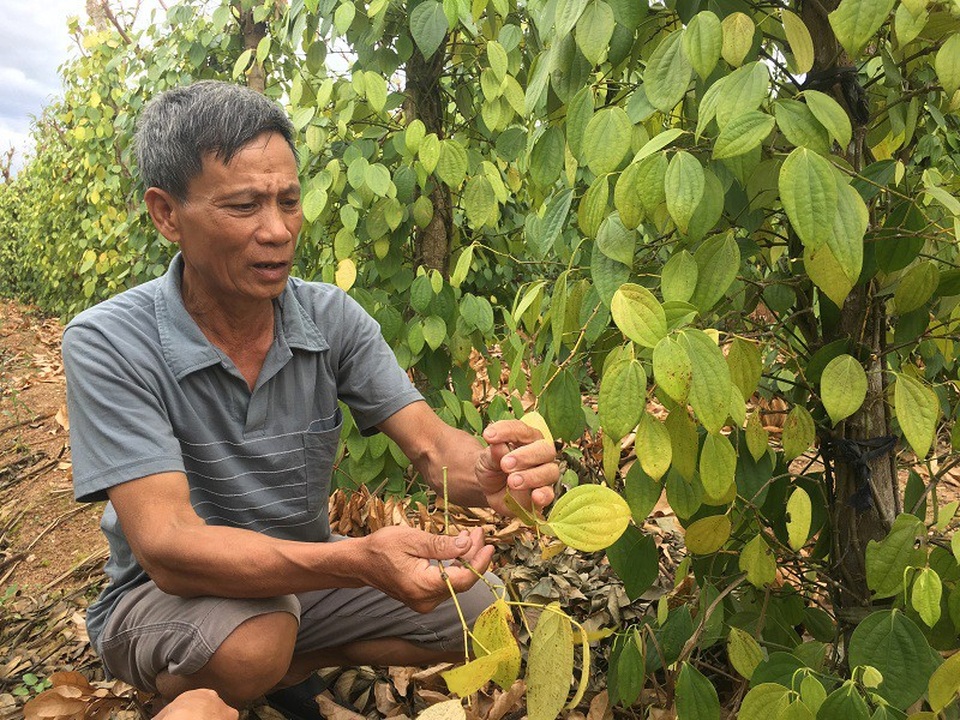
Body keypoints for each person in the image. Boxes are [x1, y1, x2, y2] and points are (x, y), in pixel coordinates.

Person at [62, 80, 559, 719]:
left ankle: (276, 671)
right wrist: (356, 562)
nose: (278, 231)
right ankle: (214, 682)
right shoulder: (109, 341)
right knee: (255, 640)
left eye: (289, 201)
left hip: (299, 581)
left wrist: (494, 472)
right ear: (166, 214)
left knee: (469, 610)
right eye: (244, 206)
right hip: (162, 596)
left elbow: (434, 447)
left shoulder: (330, 318)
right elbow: (168, 546)